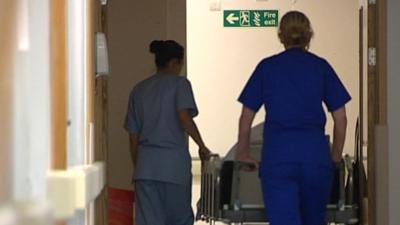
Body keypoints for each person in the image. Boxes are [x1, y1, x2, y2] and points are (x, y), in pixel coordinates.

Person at [236, 11, 351, 225]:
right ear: (309, 35)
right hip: (315, 158)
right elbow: (341, 117)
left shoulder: (267, 67)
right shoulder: (320, 67)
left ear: (281, 35)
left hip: (278, 159)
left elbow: (246, 116)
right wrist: (335, 156)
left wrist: (243, 151)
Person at [124, 40, 211, 225]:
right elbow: (184, 117)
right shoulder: (180, 84)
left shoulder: (138, 91)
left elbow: (133, 137)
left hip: (145, 170)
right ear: (174, 63)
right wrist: (202, 146)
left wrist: (139, 166)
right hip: (173, 168)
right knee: (179, 220)